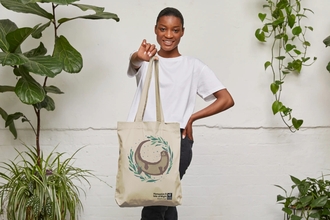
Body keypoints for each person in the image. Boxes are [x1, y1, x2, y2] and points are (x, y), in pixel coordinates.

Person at [126, 7, 234, 220]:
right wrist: (137, 56)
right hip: (143, 142)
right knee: (165, 200)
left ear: (182, 32)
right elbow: (134, 63)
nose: (168, 35)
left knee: (156, 202)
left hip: (177, 142)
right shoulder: (146, 61)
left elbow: (226, 99)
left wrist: (192, 117)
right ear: (155, 30)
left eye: (175, 30)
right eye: (163, 29)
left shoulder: (193, 66)